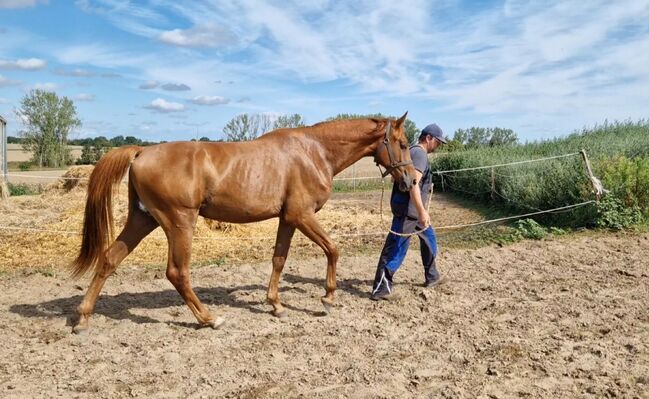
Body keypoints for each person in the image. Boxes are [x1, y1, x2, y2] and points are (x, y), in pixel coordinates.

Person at [371, 123, 446, 300]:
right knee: (396, 248)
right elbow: (413, 185)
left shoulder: (410, 151)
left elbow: (394, 179)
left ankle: (432, 275)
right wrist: (421, 211)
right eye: (438, 142)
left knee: (429, 239)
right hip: (409, 210)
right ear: (428, 138)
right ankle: (381, 288)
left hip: (410, 208)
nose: (439, 146)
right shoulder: (419, 153)